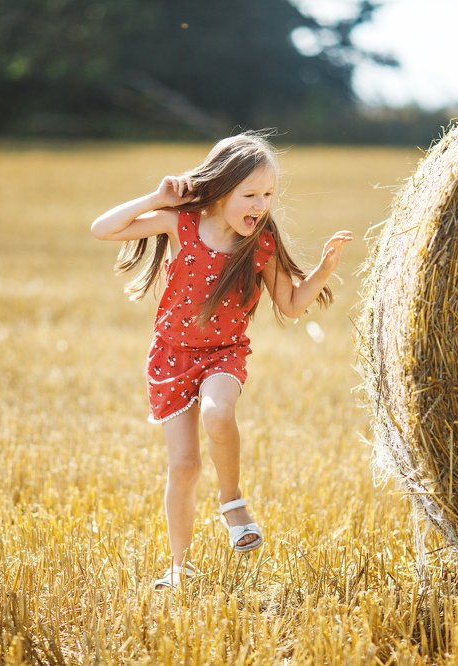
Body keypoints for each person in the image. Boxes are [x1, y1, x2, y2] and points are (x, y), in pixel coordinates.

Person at [91, 131, 352, 589]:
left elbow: (290, 304)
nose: (261, 204)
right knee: (184, 466)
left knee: (218, 412)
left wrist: (323, 272)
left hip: (223, 354)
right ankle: (179, 565)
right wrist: (157, 197)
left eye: (268, 195)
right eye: (250, 194)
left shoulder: (261, 243)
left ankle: (232, 504)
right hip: (171, 356)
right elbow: (103, 228)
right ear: (219, 189)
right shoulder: (181, 223)